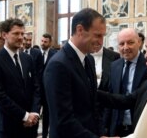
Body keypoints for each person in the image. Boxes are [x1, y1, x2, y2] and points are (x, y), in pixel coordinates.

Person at [43, 8, 106, 138]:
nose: (101, 42)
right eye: (98, 35)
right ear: (80, 30)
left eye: (102, 36)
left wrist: (101, 134)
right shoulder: (58, 65)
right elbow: (64, 120)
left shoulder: (88, 59)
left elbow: (93, 106)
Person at [0, 18, 41, 138]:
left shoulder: (28, 59)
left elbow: (36, 87)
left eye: (22, 33)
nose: (21, 37)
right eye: (16, 33)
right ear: (4, 35)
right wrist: (24, 116)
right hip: (9, 126)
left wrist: (35, 112)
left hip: (31, 125)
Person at [105, 28, 147, 137]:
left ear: (139, 42)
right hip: (116, 129)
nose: (125, 47)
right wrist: (105, 128)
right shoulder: (114, 66)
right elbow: (110, 99)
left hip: (139, 127)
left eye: (130, 42)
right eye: (121, 44)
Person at [39, 33, 57, 138]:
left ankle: (45, 135)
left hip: (48, 90)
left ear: (50, 42)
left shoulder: (54, 54)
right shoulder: (35, 53)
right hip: (37, 90)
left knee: (47, 114)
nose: (43, 43)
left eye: (45, 42)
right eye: (42, 41)